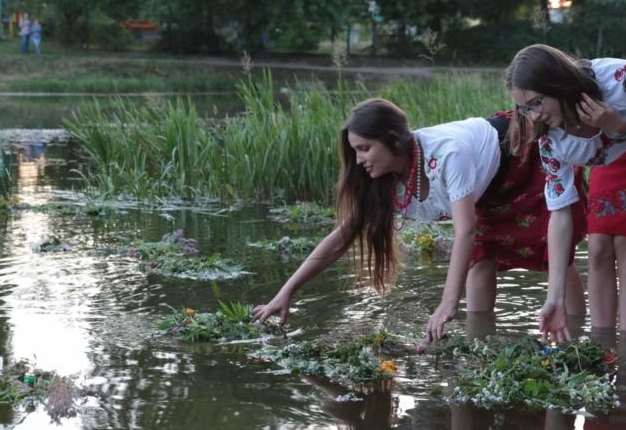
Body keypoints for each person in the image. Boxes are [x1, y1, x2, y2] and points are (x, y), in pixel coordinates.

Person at [252, 98, 588, 343]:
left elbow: (465, 231)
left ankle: (577, 337)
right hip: (484, 188)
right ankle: (480, 341)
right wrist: (285, 293)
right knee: (482, 258)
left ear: (395, 141)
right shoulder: (385, 182)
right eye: (355, 150)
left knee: (552, 252)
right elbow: (340, 238)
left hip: (519, 157)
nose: (359, 160)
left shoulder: (447, 155)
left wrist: (446, 304)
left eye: (366, 148)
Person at [505, 44, 626, 341]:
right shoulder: (550, 141)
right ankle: (602, 343)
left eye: (536, 103)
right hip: (612, 154)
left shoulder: (619, 78)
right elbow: (560, 213)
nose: (533, 116)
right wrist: (556, 297)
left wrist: (618, 122)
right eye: (524, 108)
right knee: (598, 245)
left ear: (556, 84)